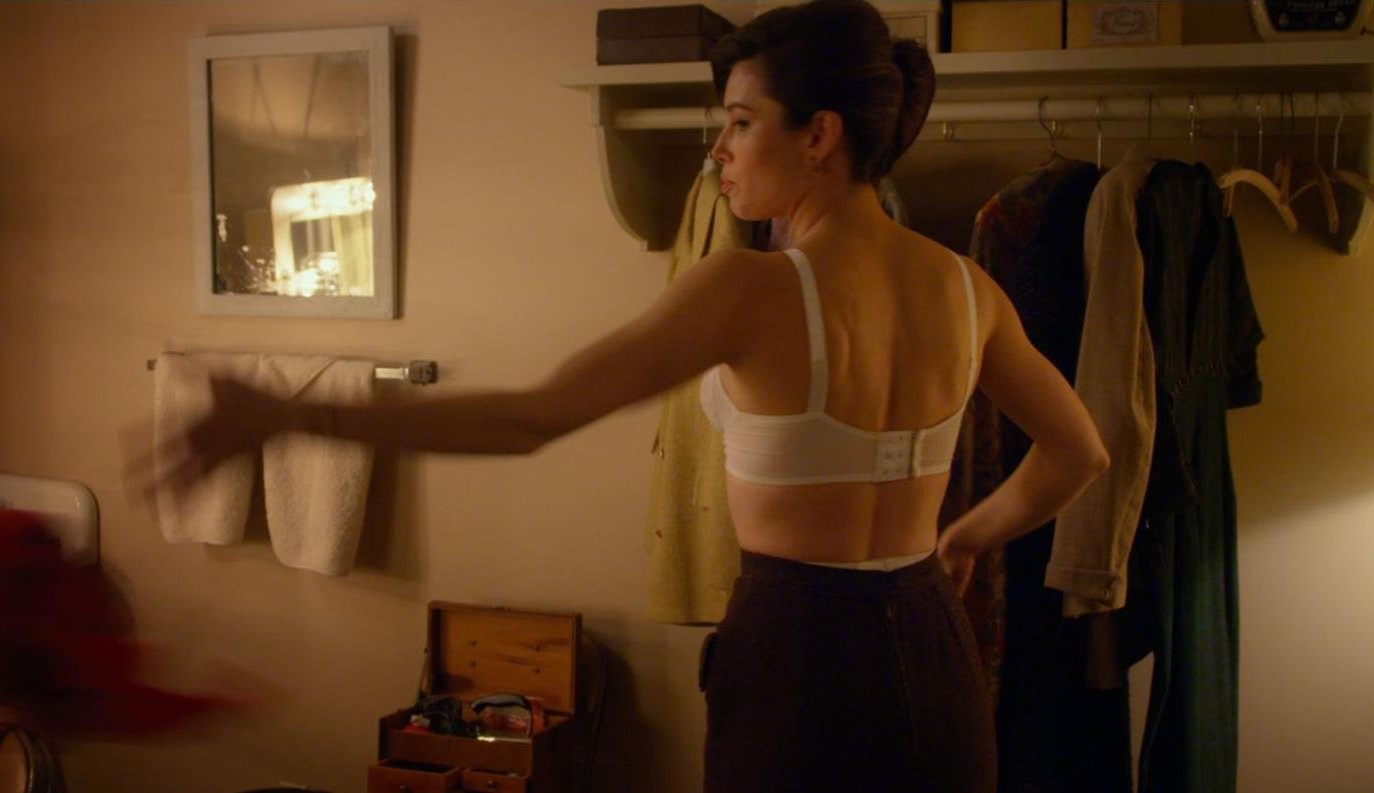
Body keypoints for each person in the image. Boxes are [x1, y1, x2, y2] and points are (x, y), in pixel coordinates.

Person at [154, 2, 1107, 789]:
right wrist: (964, 539)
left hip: (799, 657)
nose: (720, 150)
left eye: (742, 121)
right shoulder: (966, 288)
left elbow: (530, 417)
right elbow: (1080, 453)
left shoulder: (749, 288)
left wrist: (291, 411)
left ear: (819, 135)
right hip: (934, 652)